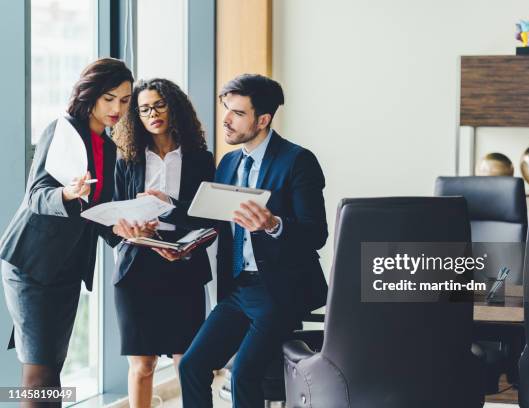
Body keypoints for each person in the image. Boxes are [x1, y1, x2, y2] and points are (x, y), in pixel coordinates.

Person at [0, 58, 148, 406]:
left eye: (125, 100)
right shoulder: (62, 129)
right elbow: (36, 195)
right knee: (40, 373)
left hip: (66, 269)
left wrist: (128, 225)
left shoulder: (109, 147)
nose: (117, 108)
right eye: (109, 98)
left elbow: (100, 214)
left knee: (52, 366)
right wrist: (67, 193)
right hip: (31, 264)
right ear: (91, 94)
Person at [176, 73, 329, 407]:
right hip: (238, 288)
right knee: (192, 365)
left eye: (238, 113)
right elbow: (214, 220)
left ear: (263, 119)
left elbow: (316, 233)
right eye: (226, 109)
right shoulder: (229, 163)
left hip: (281, 289)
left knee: (243, 373)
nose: (226, 120)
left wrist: (273, 224)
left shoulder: (298, 161)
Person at [111, 78, 216, 408]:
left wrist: (170, 203)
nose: (152, 113)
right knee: (142, 367)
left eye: (159, 105)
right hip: (136, 267)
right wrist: (129, 225)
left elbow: (208, 217)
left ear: (174, 107)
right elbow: (116, 215)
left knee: (188, 362)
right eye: (143, 109)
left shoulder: (200, 158)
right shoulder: (127, 160)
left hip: (183, 264)